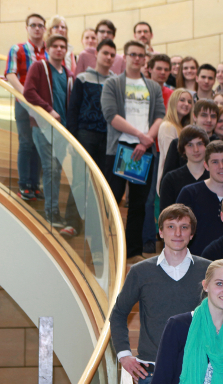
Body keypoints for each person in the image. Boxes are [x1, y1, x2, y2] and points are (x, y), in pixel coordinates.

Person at [110, 204, 212, 384]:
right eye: (170, 227)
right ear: (160, 231)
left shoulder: (208, 270)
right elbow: (117, 315)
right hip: (152, 377)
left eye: (183, 227)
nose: (177, 233)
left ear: (191, 233)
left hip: (198, 375)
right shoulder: (141, 271)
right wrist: (124, 355)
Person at [101, 40, 165, 258]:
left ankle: (133, 252)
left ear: (145, 58)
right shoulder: (112, 84)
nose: (137, 58)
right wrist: (141, 136)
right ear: (125, 56)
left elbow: (159, 115)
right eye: (133, 54)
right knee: (112, 201)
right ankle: (106, 250)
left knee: (138, 204)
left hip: (144, 150)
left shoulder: (153, 87)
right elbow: (111, 115)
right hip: (119, 148)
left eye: (141, 55)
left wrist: (146, 141)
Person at [23, 34, 76, 228]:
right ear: (48, 48)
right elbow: (28, 92)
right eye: (55, 46)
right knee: (51, 169)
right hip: (43, 126)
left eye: (63, 46)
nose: (59, 49)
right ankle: (51, 212)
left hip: (62, 131)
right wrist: (49, 110)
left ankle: (53, 211)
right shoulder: (39, 67)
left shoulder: (69, 75)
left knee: (56, 170)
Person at [5, 13, 48, 202]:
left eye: (40, 25)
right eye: (33, 25)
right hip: (24, 104)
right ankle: (24, 185)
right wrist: (27, 96)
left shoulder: (49, 52)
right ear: (27, 28)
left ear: (45, 29)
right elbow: (10, 74)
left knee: (39, 145)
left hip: (43, 107)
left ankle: (35, 185)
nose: (37, 28)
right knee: (26, 143)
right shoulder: (18, 49)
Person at [68, 38, 116, 193]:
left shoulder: (116, 82)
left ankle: (98, 218)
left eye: (112, 55)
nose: (109, 57)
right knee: (80, 180)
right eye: (105, 53)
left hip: (108, 138)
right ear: (96, 53)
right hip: (85, 135)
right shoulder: (82, 78)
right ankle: (73, 217)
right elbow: (73, 109)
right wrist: (72, 137)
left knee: (102, 184)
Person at [176, 141, 223, 255]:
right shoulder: (189, 194)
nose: (221, 167)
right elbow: (177, 232)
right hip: (196, 264)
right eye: (215, 162)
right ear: (206, 165)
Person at [159, 125, 209, 212]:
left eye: (199, 144)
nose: (196, 150)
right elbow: (165, 216)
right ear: (183, 150)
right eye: (190, 145)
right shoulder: (171, 179)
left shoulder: (214, 176)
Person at [155, 88, 193, 193]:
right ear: (173, 102)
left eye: (189, 102)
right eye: (182, 100)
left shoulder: (182, 127)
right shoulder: (168, 126)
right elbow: (170, 159)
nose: (186, 104)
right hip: (171, 182)